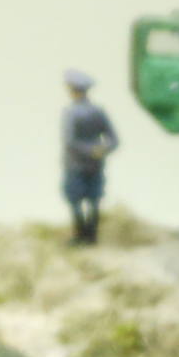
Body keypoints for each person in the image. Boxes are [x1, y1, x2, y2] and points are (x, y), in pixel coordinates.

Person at [61, 68, 119, 245]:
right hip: (95, 162)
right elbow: (113, 140)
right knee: (94, 200)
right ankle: (91, 236)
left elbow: (70, 142)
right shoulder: (98, 111)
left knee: (76, 200)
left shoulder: (70, 113)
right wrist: (99, 150)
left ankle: (81, 236)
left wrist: (92, 150)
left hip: (76, 164)